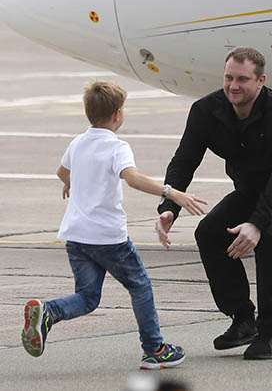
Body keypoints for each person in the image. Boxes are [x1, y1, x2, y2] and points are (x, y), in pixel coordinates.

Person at [156, 47, 272, 360]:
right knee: (209, 232)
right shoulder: (206, 111)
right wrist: (169, 206)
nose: (234, 86)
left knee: (271, 240)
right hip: (252, 190)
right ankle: (242, 319)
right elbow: (185, 159)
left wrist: (258, 223)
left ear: (261, 80)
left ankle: (269, 333)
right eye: (228, 78)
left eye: (243, 79)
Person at [21, 80, 207, 369]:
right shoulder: (117, 147)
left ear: (88, 113)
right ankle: (154, 348)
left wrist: (72, 183)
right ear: (118, 114)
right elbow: (132, 178)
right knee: (140, 285)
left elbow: (61, 171)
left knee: (87, 296)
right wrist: (173, 193)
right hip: (108, 238)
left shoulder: (78, 142)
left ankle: (49, 312)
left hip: (77, 236)